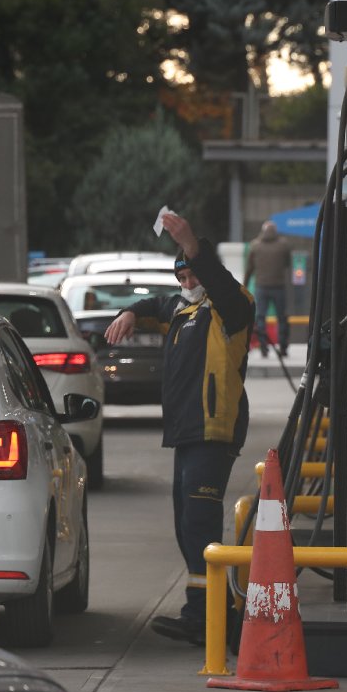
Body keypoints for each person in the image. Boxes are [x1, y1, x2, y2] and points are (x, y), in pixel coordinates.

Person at [104, 212, 254, 645]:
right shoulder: (181, 307)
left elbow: (217, 281)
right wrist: (130, 312)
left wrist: (190, 241)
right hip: (186, 432)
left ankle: (212, 618)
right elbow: (155, 304)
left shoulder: (231, 307)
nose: (188, 282)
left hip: (215, 427)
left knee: (201, 521)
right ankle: (202, 611)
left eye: (192, 275)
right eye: (182, 277)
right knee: (186, 524)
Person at [243, 220, 292, 358]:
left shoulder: (255, 245)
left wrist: (245, 285)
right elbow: (287, 263)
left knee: (260, 318)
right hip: (279, 286)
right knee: (282, 317)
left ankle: (263, 348)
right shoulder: (284, 245)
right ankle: (283, 347)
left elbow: (249, 268)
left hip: (261, 287)